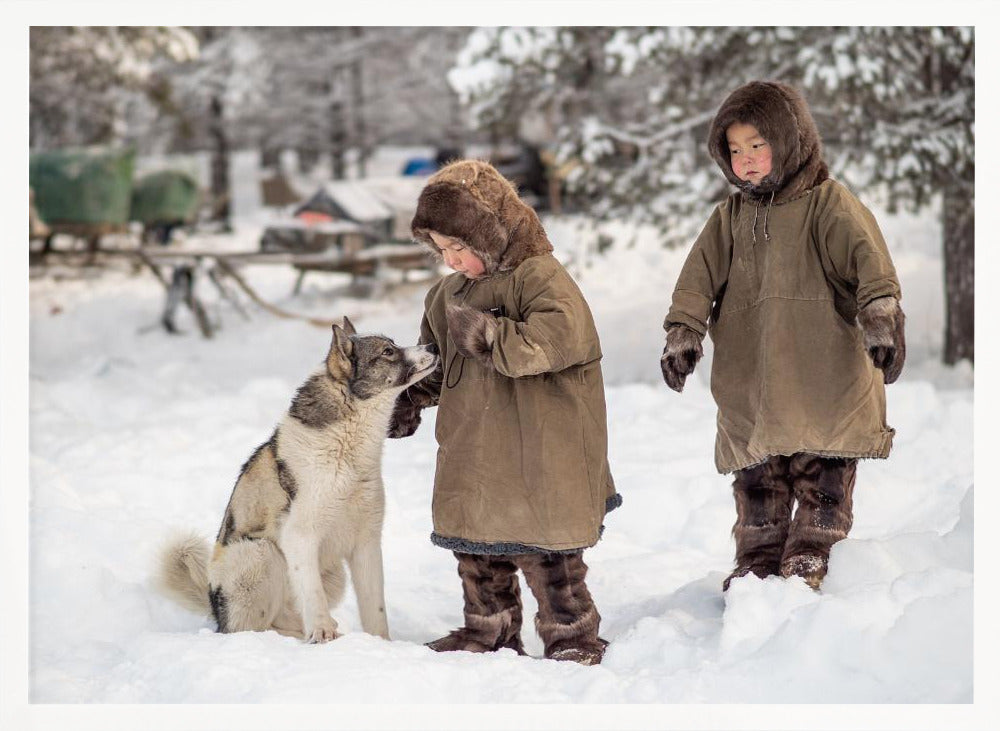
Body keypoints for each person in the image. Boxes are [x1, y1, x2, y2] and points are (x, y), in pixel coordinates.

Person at [660, 81, 906, 591]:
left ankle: (813, 548)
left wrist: (881, 316)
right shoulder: (729, 218)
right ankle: (757, 558)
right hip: (754, 383)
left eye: (758, 145)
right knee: (759, 481)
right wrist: (683, 331)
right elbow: (696, 280)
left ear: (790, 141)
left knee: (823, 477)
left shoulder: (827, 203)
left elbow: (869, 262)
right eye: (735, 150)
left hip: (822, 378)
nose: (746, 160)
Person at [390, 159, 620, 665]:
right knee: (476, 550)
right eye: (440, 249)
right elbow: (436, 362)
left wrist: (492, 336)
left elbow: (562, 337)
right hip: (472, 447)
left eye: (459, 246)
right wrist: (406, 397)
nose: (451, 260)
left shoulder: (540, 277)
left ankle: (572, 633)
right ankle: (488, 629)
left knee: (549, 554)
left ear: (491, 232)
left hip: (539, 445)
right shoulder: (444, 295)